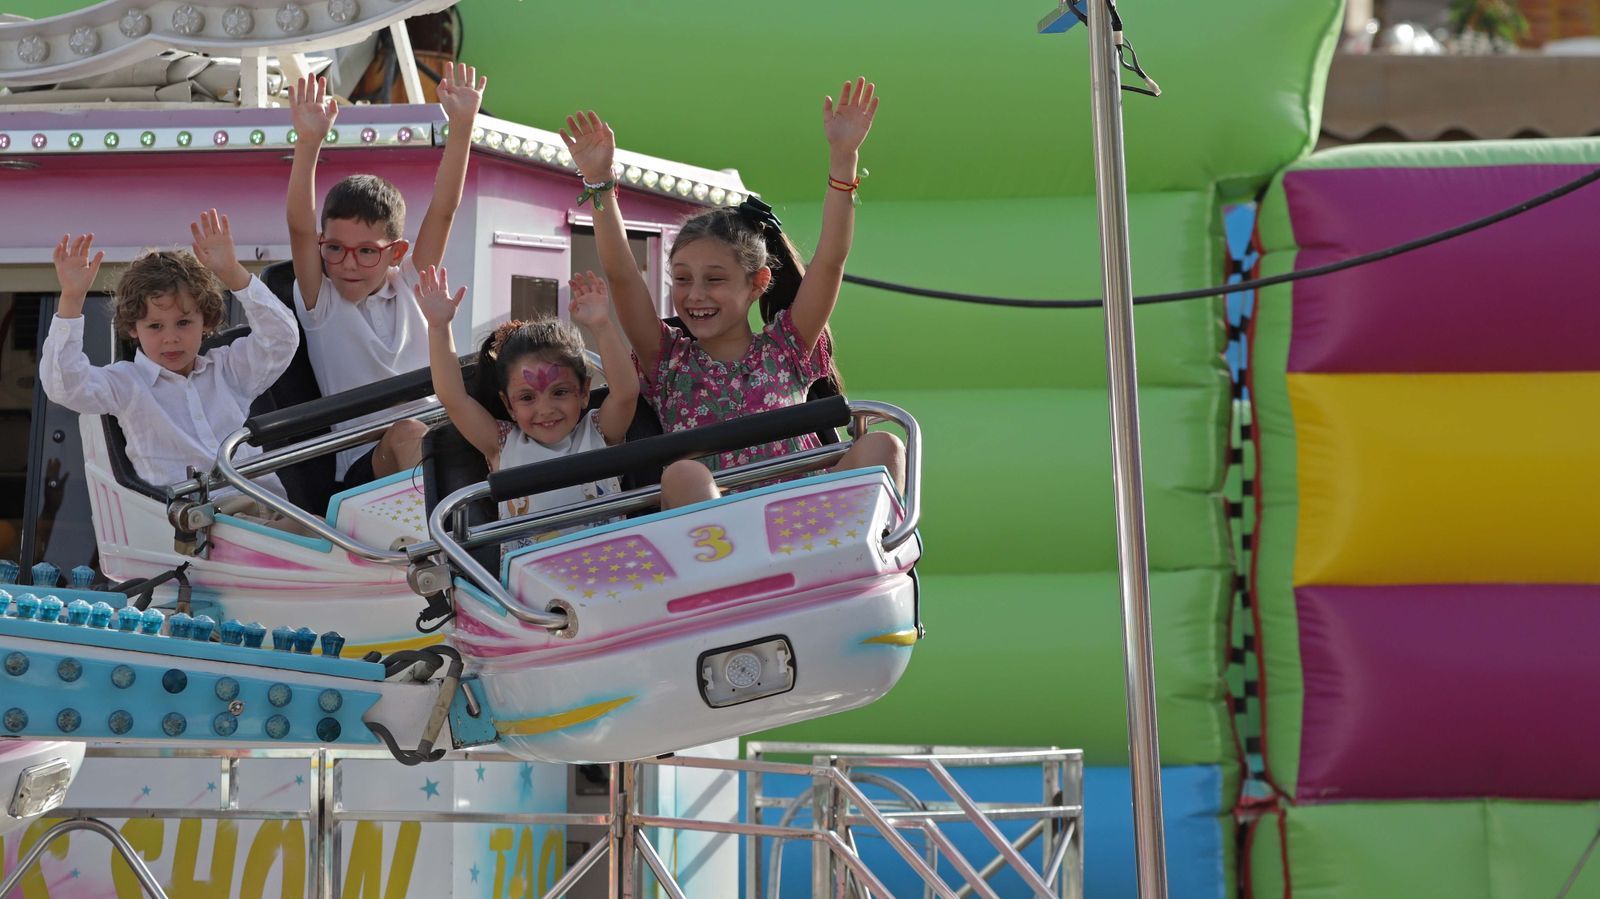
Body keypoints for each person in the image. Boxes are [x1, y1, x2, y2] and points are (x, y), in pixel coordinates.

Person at [560, 77, 905, 508]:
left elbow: (831, 259)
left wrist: (844, 158)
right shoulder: (668, 361)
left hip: (811, 521)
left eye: (715, 279)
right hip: (723, 544)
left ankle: (854, 555)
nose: (695, 295)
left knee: (884, 446)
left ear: (758, 283)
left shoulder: (786, 347)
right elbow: (624, 276)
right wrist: (600, 183)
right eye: (682, 279)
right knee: (684, 474)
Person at [285, 62, 486, 488]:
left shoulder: (411, 284)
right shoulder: (321, 301)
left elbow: (444, 208)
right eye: (334, 249)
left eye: (366, 253)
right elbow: (300, 227)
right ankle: (448, 533)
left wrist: (463, 125)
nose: (348, 264)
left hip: (439, 439)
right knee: (409, 433)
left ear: (395, 252)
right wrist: (308, 142)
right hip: (366, 464)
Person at [40, 212, 299, 521]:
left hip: (268, 511)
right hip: (194, 527)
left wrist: (232, 272)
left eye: (184, 322)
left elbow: (282, 338)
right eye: (155, 326)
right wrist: (71, 300)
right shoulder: (126, 383)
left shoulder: (229, 369)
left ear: (207, 321)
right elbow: (64, 386)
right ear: (133, 328)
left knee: (346, 539)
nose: (171, 338)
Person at [416, 265, 638, 544]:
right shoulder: (502, 443)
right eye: (527, 398)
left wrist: (602, 325)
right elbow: (453, 398)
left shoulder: (598, 432)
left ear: (583, 392)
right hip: (528, 580)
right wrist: (439, 327)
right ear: (508, 405)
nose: (545, 409)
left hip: (609, 567)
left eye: (559, 392)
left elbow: (626, 393)